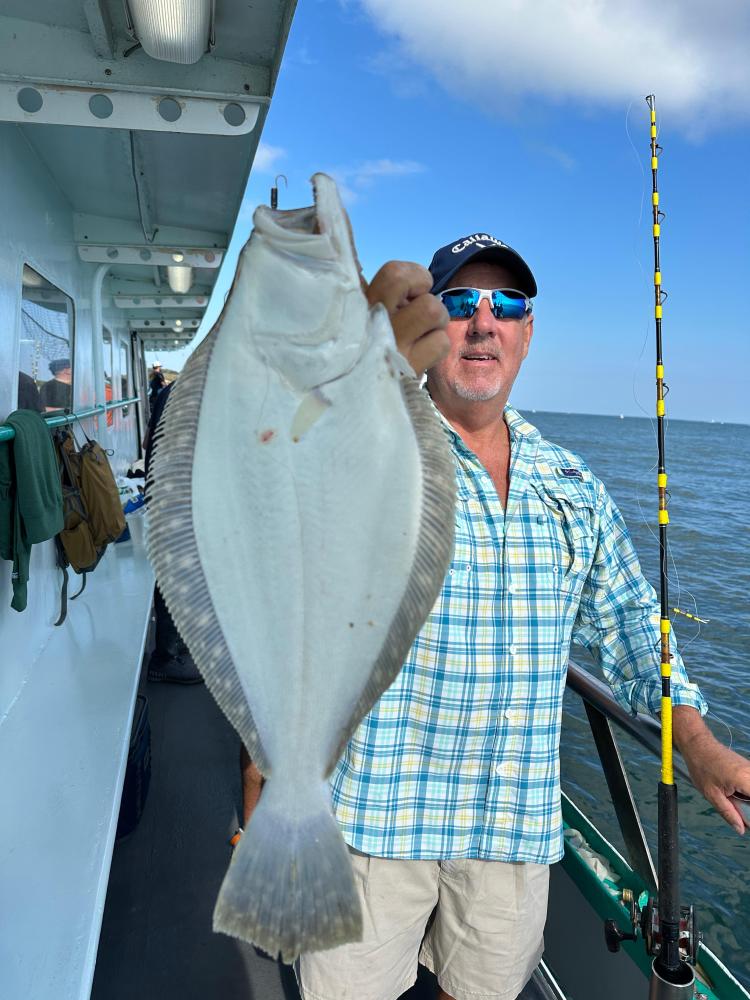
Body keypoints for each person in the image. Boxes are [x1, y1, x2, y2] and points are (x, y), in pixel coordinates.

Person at [239, 239, 750, 1000]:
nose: (484, 322)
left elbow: (637, 630)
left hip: (509, 832)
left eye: (506, 305)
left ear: (527, 334)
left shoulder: (571, 485)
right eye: (460, 302)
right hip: (372, 822)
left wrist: (699, 745)